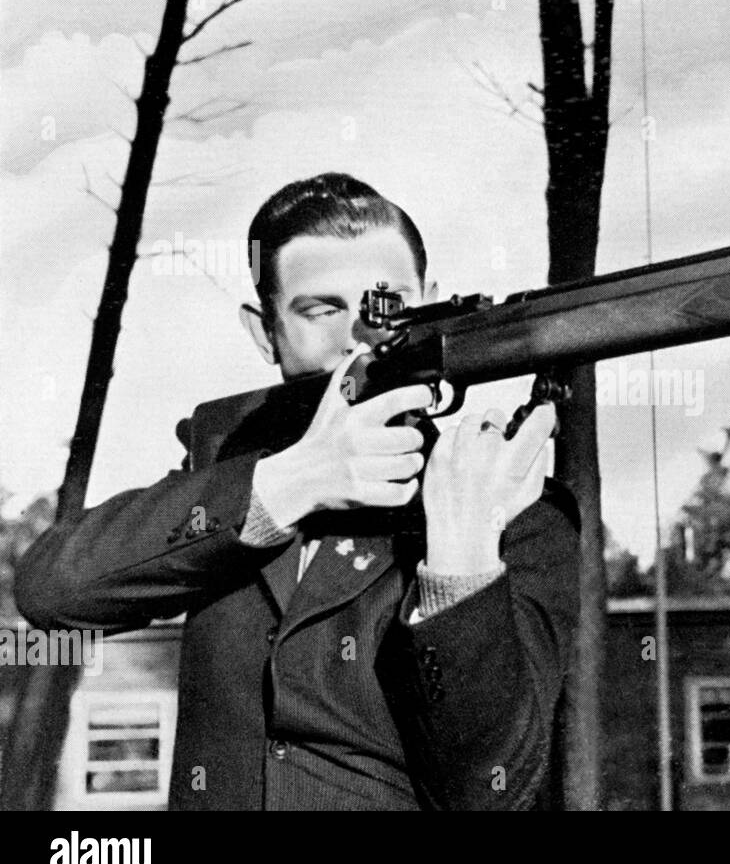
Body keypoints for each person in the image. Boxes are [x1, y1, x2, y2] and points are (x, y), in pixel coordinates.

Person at [15, 173, 580, 810]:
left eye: (387, 306)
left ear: (431, 302)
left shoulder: (515, 508)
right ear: (265, 334)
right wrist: (290, 486)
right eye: (321, 310)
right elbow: (52, 591)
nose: (357, 338)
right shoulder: (235, 479)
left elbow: (492, 789)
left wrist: (462, 557)